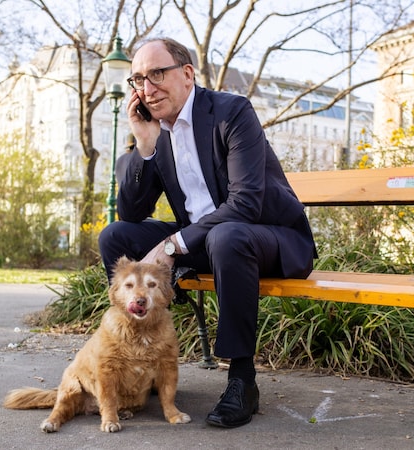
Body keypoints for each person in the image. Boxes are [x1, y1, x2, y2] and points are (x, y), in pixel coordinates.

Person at [98, 38, 317, 429]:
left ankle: (242, 380)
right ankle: (142, 361)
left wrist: (173, 245)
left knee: (227, 235)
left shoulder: (231, 113)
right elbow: (132, 211)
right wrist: (145, 146)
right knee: (116, 236)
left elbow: (246, 203)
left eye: (157, 74)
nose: (147, 88)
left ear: (186, 74)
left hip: (270, 238)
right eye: (138, 80)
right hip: (206, 241)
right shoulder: (156, 132)